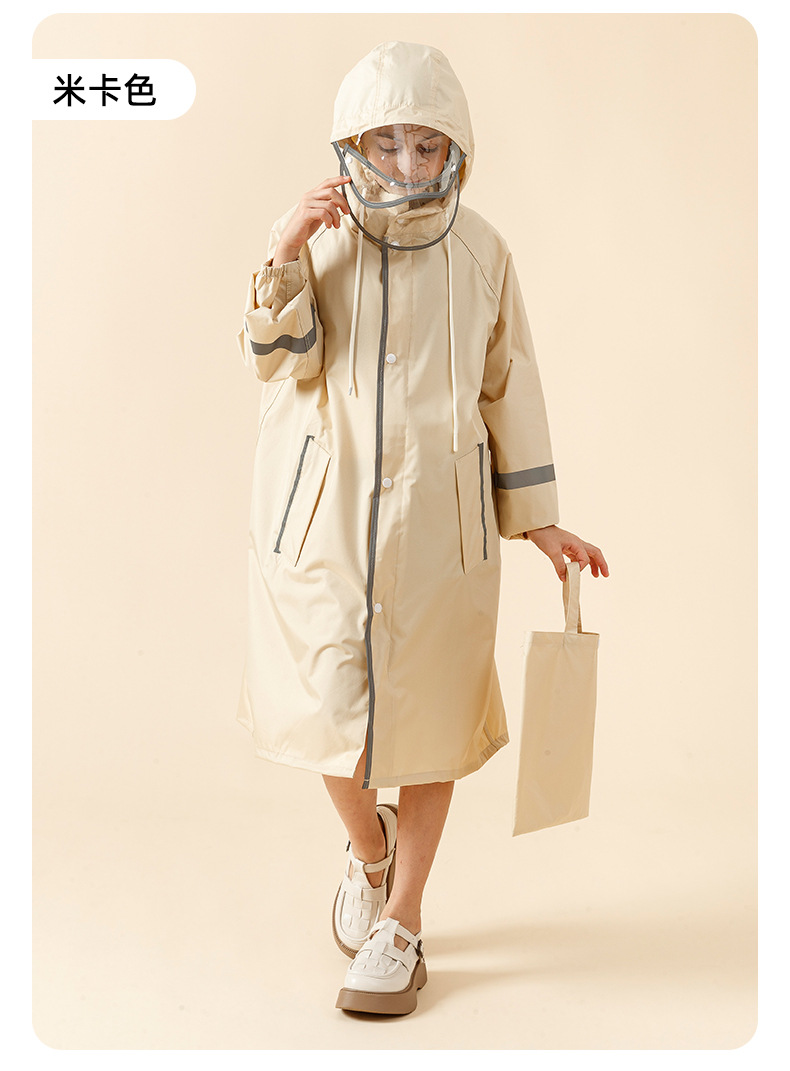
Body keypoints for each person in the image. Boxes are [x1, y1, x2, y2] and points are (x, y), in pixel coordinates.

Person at [235, 41, 609, 1016]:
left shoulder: (483, 251)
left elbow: (508, 386)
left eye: (426, 144)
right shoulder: (320, 241)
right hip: (322, 527)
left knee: (432, 727)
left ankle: (400, 921)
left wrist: (540, 524)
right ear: (352, 145)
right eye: (386, 143)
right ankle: (370, 852)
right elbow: (277, 362)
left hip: (442, 535)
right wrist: (282, 252)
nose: (406, 164)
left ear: (456, 150)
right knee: (330, 716)